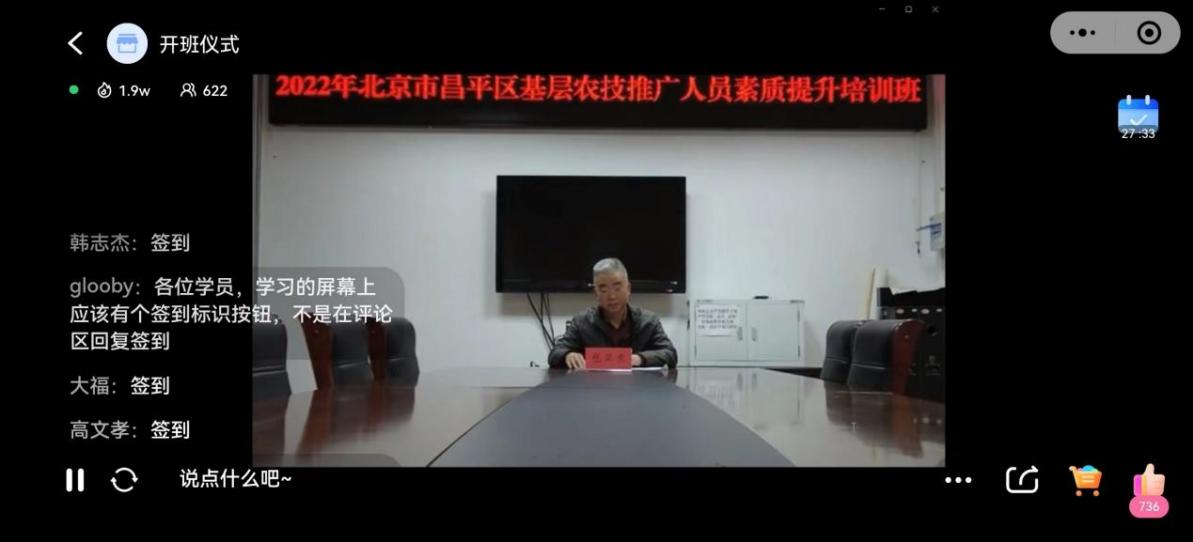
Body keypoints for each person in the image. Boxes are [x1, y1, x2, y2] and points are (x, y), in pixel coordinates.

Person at [547, 258, 677, 369]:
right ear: (596, 292)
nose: (612, 296)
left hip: (638, 387)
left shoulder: (648, 321)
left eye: (617, 288)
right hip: (595, 388)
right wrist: (567, 355)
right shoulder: (582, 322)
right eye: (603, 290)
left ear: (628, 289)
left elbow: (670, 353)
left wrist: (639, 359)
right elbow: (555, 353)